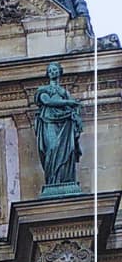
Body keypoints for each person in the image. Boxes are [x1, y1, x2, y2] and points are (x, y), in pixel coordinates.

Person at [34, 61, 82, 190]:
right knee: (52, 148)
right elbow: (47, 101)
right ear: (48, 73)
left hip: (65, 123)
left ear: (59, 72)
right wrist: (70, 102)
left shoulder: (64, 91)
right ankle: (52, 180)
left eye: (55, 70)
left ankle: (64, 180)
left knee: (68, 149)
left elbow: (73, 110)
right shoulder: (43, 90)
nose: (53, 72)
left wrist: (75, 116)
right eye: (50, 70)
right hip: (49, 120)